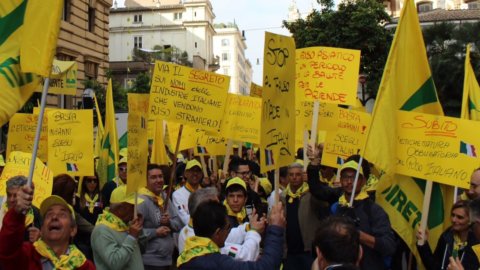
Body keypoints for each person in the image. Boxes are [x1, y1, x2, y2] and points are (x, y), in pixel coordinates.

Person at [307, 153, 396, 270]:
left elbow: (389, 246)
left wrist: (359, 235)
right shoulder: (336, 207)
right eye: (345, 177)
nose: (349, 182)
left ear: (363, 181)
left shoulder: (374, 210)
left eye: (354, 177)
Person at [0, 185, 95, 269]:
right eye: (49, 215)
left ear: (72, 230)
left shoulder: (85, 266)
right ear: (42, 228)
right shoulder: (27, 256)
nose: (54, 217)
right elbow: (7, 250)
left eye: (62, 214)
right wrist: (16, 213)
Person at [177, 200, 285, 269]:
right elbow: (265, 267)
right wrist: (275, 229)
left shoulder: (187, 256)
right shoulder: (217, 263)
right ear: (217, 233)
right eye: (228, 228)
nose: (229, 232)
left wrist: (250, 229)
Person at [138, 164, 183, 270]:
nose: (159, 180)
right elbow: (134, 232)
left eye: (160, 176)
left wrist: (169, 223)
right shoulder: (141, 201)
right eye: (153, 177)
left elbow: (179, 224)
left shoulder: (164, 196)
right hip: (150, 263)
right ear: (145, 181)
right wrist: (156, 232)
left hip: (168, 260)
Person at [91, 185, 147, 270]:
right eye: (132, 206)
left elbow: (142, 250)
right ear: (121, 209)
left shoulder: (126, 225)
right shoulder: (102, 230)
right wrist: (131, 237)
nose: (136, 210)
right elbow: (115, 263)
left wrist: (139, 230)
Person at [282, 162, 325, 270]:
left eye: (298, 174)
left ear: (303, 176)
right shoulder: (282, 196)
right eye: (291, 175)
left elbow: (323, 204)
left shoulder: (311, 194)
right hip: (289, 253)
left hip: (308, 251)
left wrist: (312, 183)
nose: (294, 177)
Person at [417, 200, 479, 270]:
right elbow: (433, 266)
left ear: (470, 221)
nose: (454, 220)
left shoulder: (476, 246)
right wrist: (423, 244)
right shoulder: (446, 236)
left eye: (460, 217)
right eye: (453, 215)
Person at [0, 176, 42, 242]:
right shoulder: (1, 210)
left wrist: (39, 240)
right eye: (9, 195)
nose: (11, 199)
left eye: (16, 195)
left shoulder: (37, 216)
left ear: (26, 196)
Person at [173, 159, 203, 226]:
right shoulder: (177, 194)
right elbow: (184, 218)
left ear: (201, 174)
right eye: (192, 171)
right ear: (186, 174)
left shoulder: (206, 194)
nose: (195, 173)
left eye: (198, 171)